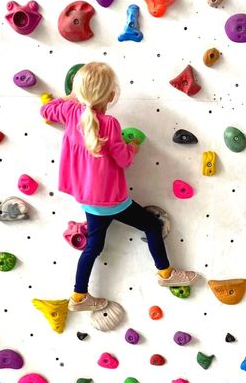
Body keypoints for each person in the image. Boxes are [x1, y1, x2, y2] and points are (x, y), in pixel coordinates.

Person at [40, 62, 197, 312]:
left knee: (94, 246)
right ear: (111, 95)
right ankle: (166, 273)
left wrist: (71, 96)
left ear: (78, 92)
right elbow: (124, 160)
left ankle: (78, 297)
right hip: (111, 201)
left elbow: (46, 110)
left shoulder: (71, 112)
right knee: (152, 225)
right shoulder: (110, 124)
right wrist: (133, 146)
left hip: (86, 199)